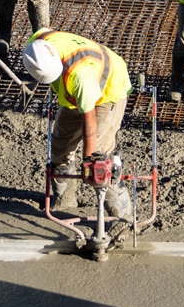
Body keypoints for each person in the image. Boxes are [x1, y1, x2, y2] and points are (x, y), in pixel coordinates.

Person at [23, 28, 134, 230]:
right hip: (74, 93)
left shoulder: (80, 74)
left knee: (100, 162)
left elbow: (89, 123)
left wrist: (89, 160)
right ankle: (65, 199)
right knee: (60, 146)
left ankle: (122, 218)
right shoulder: (39, 43)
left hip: (109, 89)